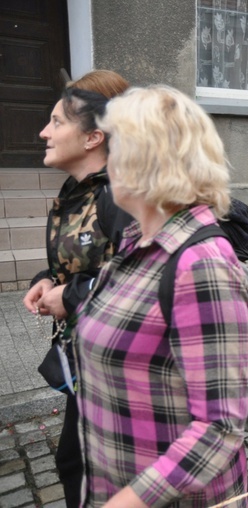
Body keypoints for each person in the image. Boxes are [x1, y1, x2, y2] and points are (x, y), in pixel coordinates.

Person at [75, 85, 248, 507]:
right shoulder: (136, 241)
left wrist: (128, 501)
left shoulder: (199, 264)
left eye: (114, 145)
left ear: (148, 158)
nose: (104, 159)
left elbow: (219, 427)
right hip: (113, 480)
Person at [22, 70, 132, 508]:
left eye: (56, 121)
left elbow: (140, 281)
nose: (44, 131)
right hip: (87, 358)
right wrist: (46, 281)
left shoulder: (120, 195)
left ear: (93, 138)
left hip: (119, 367)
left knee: (83, 467)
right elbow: (80, 262)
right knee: (76, 464)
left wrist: (67, 298)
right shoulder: (77, 190)